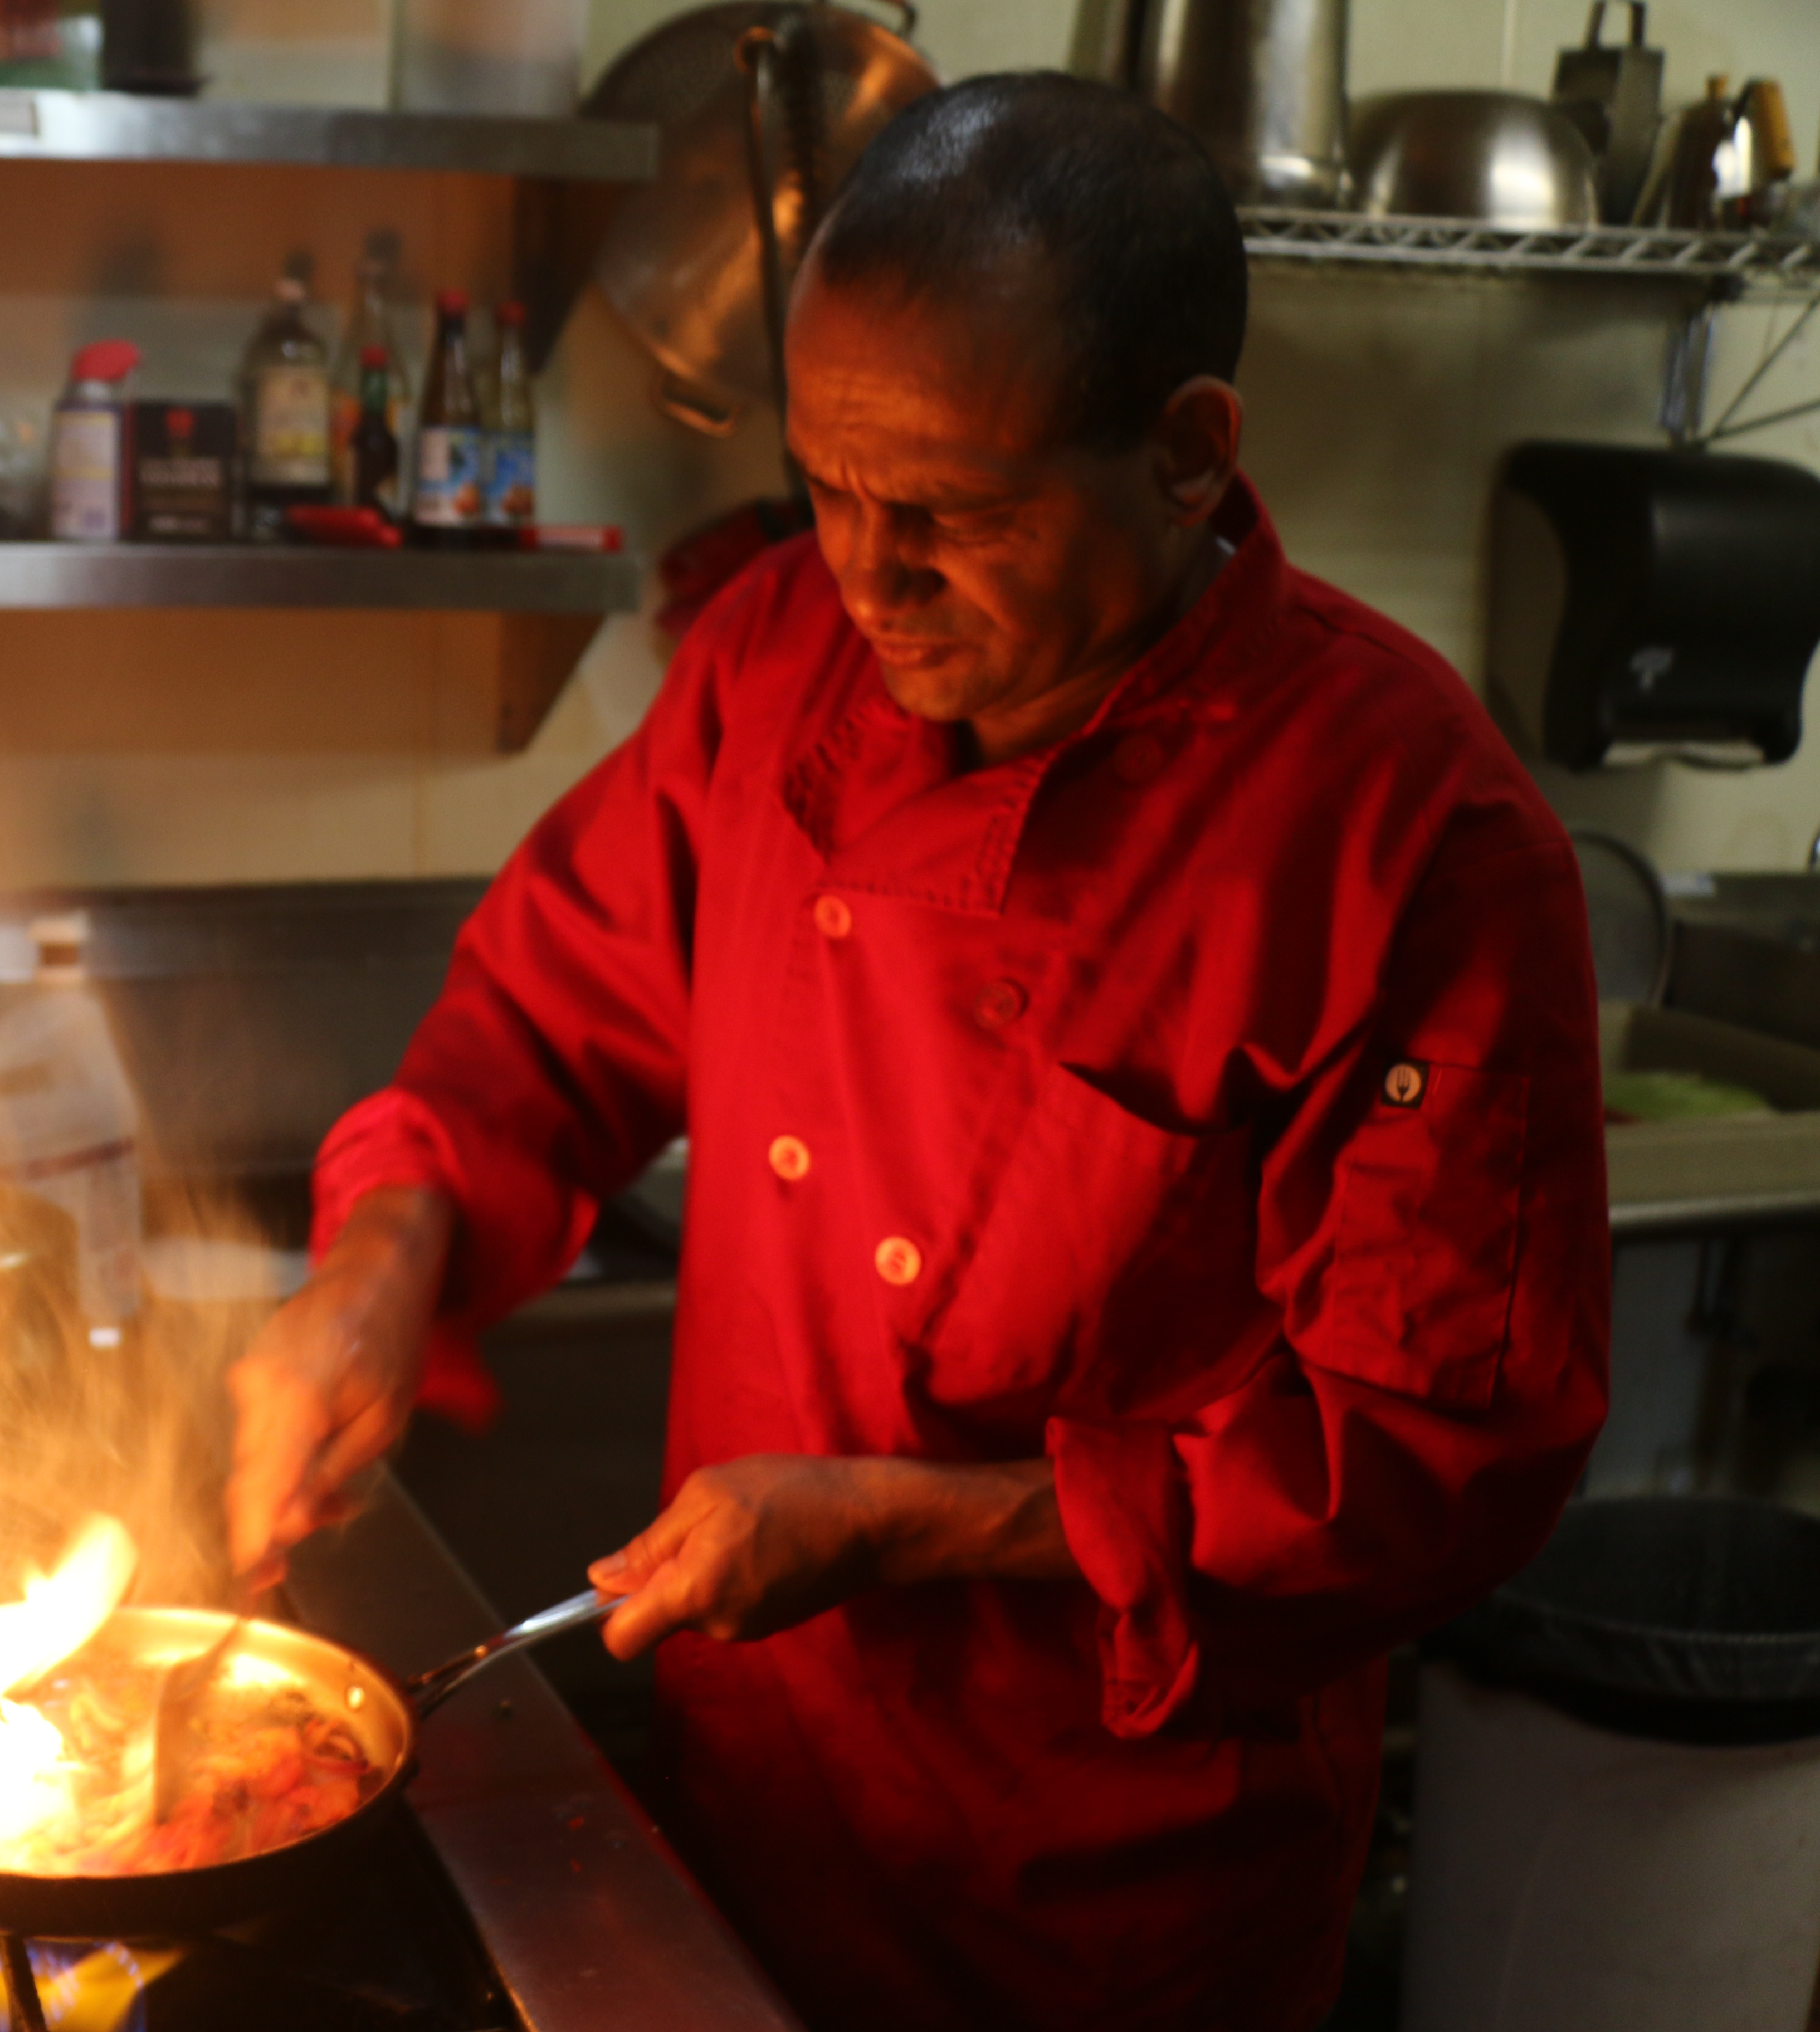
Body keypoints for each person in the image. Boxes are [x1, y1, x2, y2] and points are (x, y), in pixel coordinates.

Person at [223, 72, 1610, 2030]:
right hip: (752, 1803)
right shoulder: (777, 657)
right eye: (827, 489)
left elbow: (1423, 1464)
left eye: (953, 513)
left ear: (1188, 454)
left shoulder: (1413, 841)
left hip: (1115, 1901)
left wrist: (910, 1518)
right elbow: (545, 1019)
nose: (867, 581)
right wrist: (383, 1259)